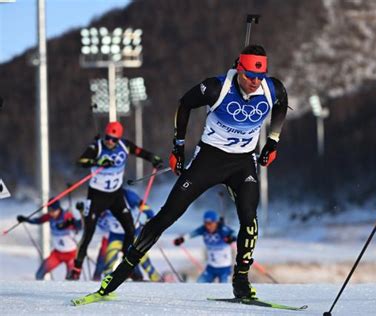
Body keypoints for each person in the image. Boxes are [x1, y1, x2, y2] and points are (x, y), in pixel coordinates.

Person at [89, 44, 289, 300]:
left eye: (260, 76)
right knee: (166, 216)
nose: (255, 81)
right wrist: (178, 147)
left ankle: (241, 282)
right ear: (239, 69)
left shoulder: (272, 88)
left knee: (250, 220)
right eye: (250, 75)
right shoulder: (217, 87)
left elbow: (282, 103)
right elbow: (185, 104)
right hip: (209, 160)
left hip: (242, 163)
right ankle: (116, 277)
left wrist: (272, 141)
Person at [67, 121, 163, 280]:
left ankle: (127, 267)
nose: (110, 141)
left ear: (119, 139)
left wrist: (153, 158)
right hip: (96, 196)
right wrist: (97, 162)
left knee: (131, 230)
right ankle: (76, 269)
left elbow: (140, 151)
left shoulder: (124, 145)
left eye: (114, 139)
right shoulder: (96, 146)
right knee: (88, 233)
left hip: (115, 196)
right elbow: (81, 162)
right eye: (108, 138)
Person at [94, 189, 161, 281]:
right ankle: (107, 282)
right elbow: (98, 218)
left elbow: (144, 207)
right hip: (116, 234)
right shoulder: (101, 200)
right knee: (110, 259)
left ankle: (156, 279)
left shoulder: (127, 195)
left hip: (133, 232)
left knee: (142, 257)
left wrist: (150, 218)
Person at [17, 199, 81, 280]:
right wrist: (26, 219)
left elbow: (80, 226)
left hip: (71, 254)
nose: (51, 213)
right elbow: (38, 220)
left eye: (53, 211)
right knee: (39, 274)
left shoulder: (67, 216)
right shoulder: (50, 217)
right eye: (49, 211)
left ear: (58, 209)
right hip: (57, 253)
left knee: (71, 279)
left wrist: (70, 223)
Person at [174, 210, 236, 283]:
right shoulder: (203, 229)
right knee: (199, 284)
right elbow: (192, 234)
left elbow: (235, 234)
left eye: (210, 223)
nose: (208, 226)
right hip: (211, 267)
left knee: (224, 289)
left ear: (215, 222)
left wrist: (230, 238)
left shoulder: (223, 229)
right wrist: (181, 239)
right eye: (205, 223)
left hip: (224, 268)